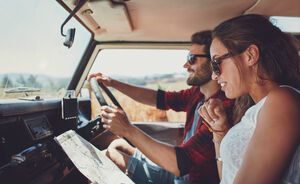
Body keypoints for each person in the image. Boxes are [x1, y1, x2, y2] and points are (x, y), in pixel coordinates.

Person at [89, 31, 235, 184]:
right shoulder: (197, 94)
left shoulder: (221, 109)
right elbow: (157, 98)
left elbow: (181, 164)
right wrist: (113, 83)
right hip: (181, 174)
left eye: (191, 59)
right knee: (117, 145)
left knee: (111, 156)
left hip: (188, 178)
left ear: (213, 62)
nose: (186, 65)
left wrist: (127, 129)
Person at [198, 14, 300, 184]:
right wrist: (219, 130)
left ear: (250, 55)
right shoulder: (257, 108)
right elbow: (228, 177)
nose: (214, 76)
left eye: (217, 63)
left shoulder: (282, 100)